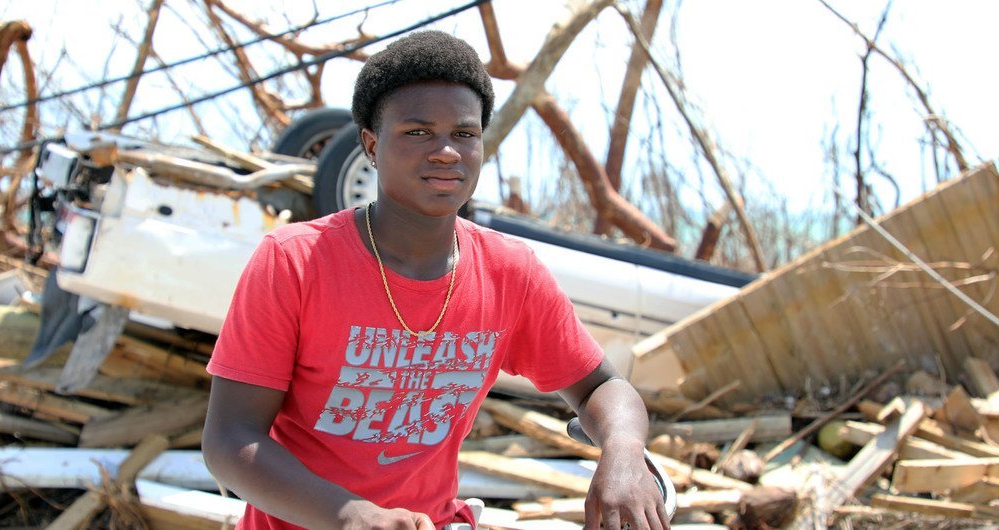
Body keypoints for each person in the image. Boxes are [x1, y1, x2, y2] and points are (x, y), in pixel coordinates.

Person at [202, 30, 667, 530]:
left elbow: (601, 386)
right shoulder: (295, 261)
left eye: (464, 134)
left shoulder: (509, 273)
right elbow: (230, 439)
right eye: (418, 132)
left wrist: (623, 451)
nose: (447, 151)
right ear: (371, 145)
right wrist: (352, 518)